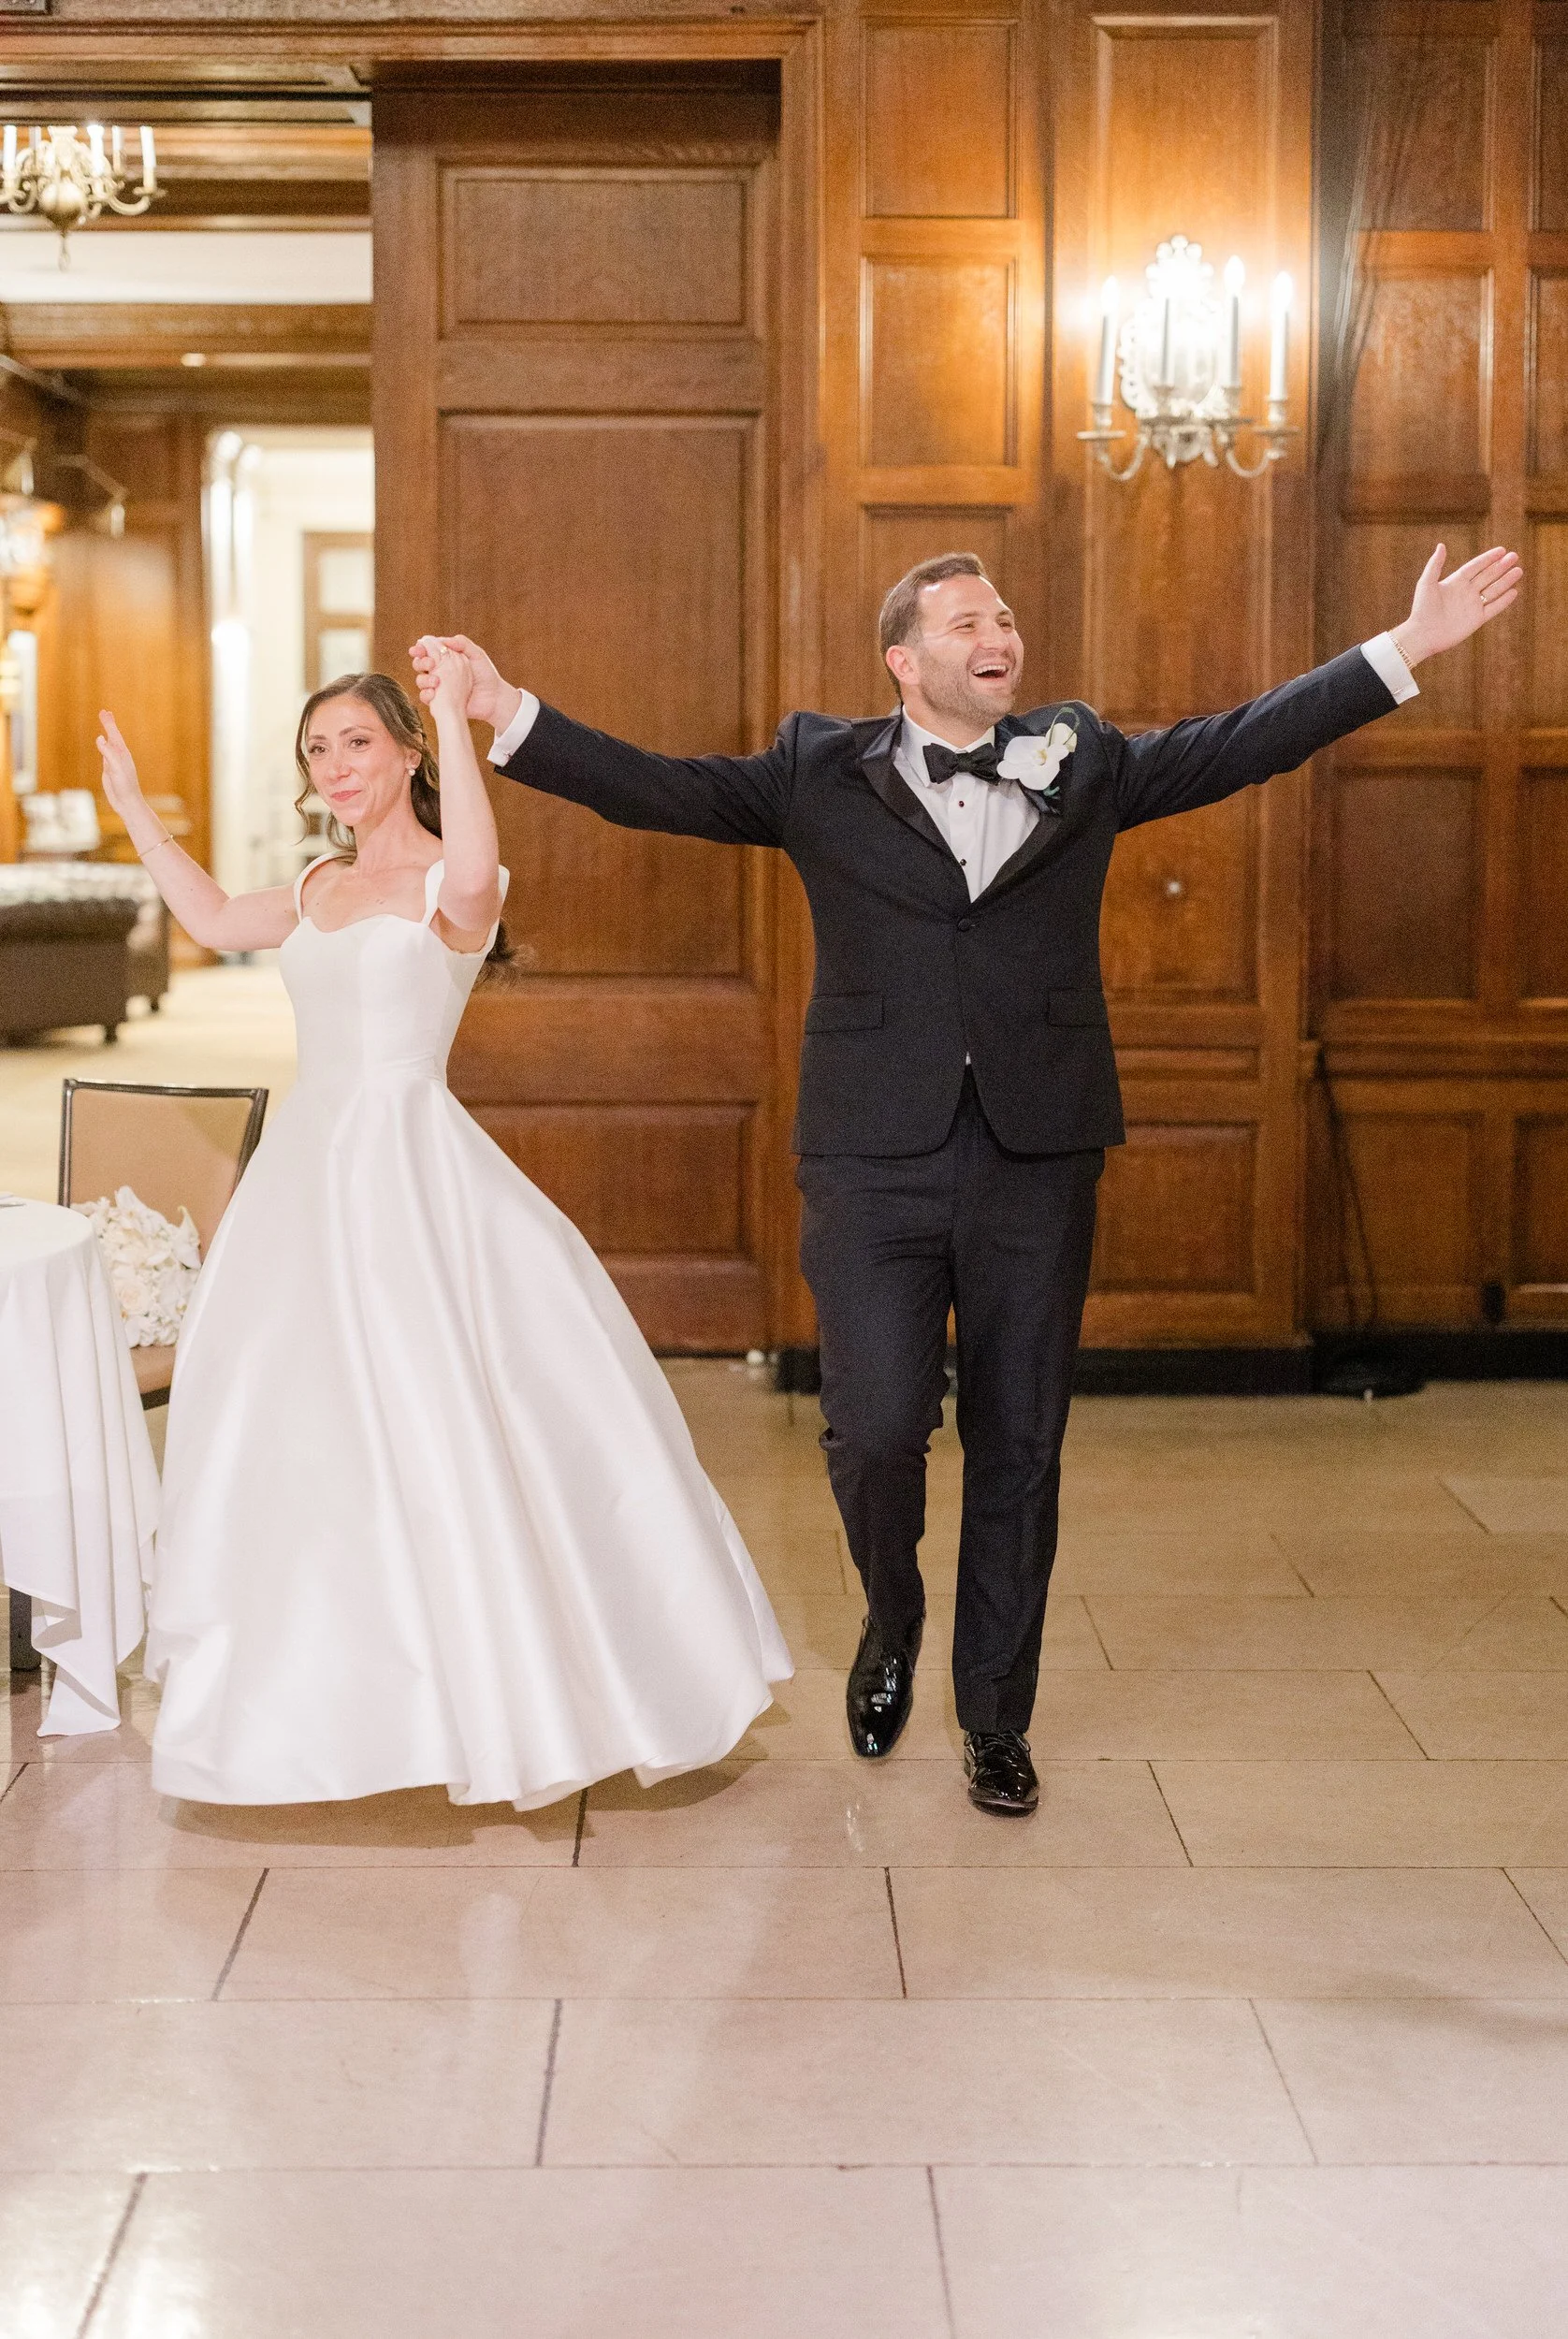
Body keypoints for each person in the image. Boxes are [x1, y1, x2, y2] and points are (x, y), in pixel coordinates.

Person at [414, 537, 1522, 1815]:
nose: (997, 636)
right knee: (876, 1429)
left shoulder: (1082, 757)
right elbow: (654, 787)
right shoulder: (814, 768)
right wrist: (504, 711)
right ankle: (891, 1614)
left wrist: (1407, 648)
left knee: (1020, 1440)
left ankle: (997, 1716)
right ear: (903, 660)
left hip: (1036, 1151)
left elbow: (1245, 739)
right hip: (868, 1155)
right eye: (965, 622)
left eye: (1003, 617)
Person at [96, 646, 790, 1809]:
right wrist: (134, 813)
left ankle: (497, 1682)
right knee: (301, 1422)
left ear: (405, 754)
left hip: (413, 1171)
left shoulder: (453, 885)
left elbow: (471, 865)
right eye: (317, 750)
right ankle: (326, 1689)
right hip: (304, 1180)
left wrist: (455, 719)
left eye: (357, 742)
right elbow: (210, 915)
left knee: (445, 1414)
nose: (334, 765)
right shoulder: (315, 888)